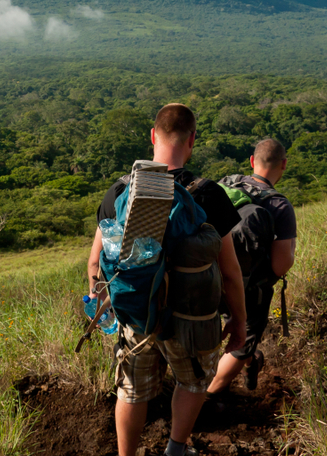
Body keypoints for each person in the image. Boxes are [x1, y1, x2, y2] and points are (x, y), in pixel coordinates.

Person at [87, 103, 247, 456]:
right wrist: (239, 319)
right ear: (192, 140)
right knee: (192, 382)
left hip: (136, 313)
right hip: (190, 320)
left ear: (152, 136)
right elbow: (231, 273)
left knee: (131, 390)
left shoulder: (119, 191)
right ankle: (176, 448)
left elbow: (95, 261)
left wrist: (103, 308)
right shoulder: (207, 195)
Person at [205, 138, 297, 397]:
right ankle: (206, 397)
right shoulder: (279, 205)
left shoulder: (223, 185)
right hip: (247, 290)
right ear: (284, 165)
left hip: (206, 277)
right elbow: (281, 264)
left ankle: (249, 361)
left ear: (251, 162)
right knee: (242, 342)